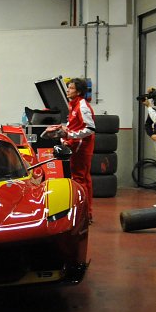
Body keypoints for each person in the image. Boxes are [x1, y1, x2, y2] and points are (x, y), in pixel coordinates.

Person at [45, 78, 95, 219]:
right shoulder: (73, 104)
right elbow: (73, 124)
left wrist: (69, 134)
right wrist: (63, 133)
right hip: (75, 144)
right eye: (68, 87)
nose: (68, 90)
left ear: (78, 91)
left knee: (80, 179)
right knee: (82, 178)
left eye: (71, 88)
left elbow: (90, 128)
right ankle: (86, 212)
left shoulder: (83, 106)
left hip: (82, 147)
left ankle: (84, 214)